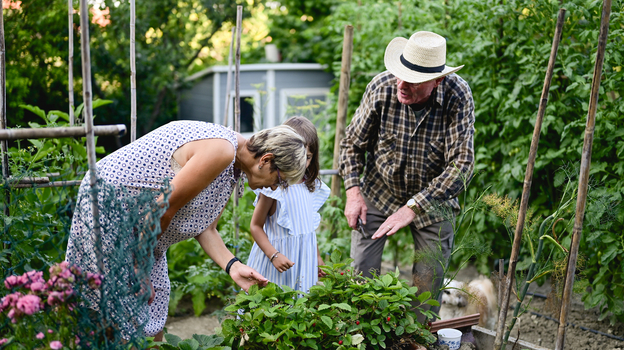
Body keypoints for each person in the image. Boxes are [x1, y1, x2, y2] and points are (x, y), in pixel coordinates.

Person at [66, 120, 308, 340]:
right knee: (119, 317)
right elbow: (162, 208)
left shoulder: (234, 166)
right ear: (265, 160)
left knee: (152, 313)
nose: (277, 188)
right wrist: (140, 269)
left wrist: (234, 266)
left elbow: (207, 228)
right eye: (281, 180)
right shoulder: (222, 150)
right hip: (111, 206)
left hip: (143, 225)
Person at [339, 31, 475, 319]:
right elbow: (352, 143)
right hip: (379, 191)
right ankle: (361, 335)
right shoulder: (382, 87)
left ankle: (417, 339)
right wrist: (353, 193)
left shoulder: (457, 95)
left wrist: (413, 207)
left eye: (412, 81)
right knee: (362, 274)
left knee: (428, 285)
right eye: (399, 74)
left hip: (433, 203)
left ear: (437, 81)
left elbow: (462, 165)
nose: (400, 84)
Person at [246, 116, 330, 293]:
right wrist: (273, 255)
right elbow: (255, 226)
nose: (301, 164)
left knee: (299, 309)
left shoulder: (312, 186)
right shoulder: (273, 188)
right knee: (272, 305)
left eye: (307, 157)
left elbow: (309, 228)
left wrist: (317, 257)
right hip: (274, 260)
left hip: (303, 259)